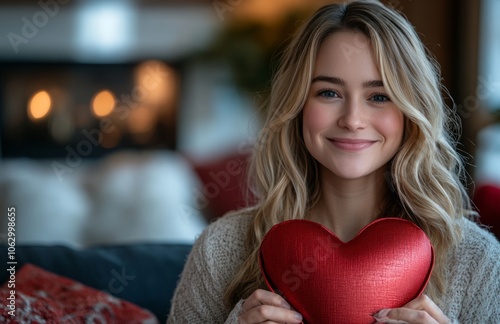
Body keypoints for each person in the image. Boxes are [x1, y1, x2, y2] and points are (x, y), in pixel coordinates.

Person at [167, 1, 500, 323]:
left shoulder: (478, 262)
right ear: (297, 105)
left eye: (379, 97)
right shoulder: (220, 249)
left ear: (410, 114)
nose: (353, 119)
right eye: (329, 93)